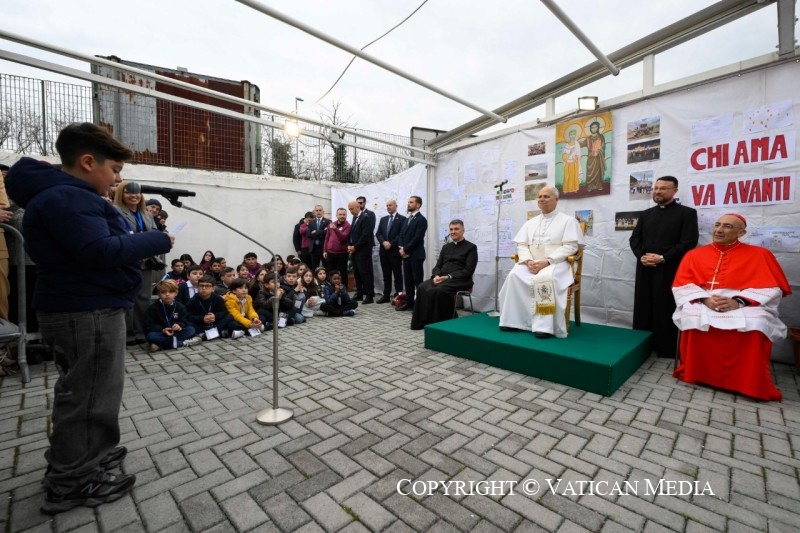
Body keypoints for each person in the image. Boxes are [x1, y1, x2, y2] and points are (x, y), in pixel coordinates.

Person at [6, 122, 172, 514]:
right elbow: (98, 250)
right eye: (114, 170)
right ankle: (73, 481)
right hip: (86, 310)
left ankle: (88, 456)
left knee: (88, 390)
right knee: (89, 395)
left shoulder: (65, 195)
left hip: (85, 306)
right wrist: (158, 239)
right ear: (86, 162)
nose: (117, 180)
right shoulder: (68, 198)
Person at [671, 214, 791, 401]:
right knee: (693, 317)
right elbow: (682, 285)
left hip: (745, 302)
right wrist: (705, 300)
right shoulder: (694, 255)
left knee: (757, 322)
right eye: (717, 225)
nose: (719, 230)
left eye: (727, 226)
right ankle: (697, 373)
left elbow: (771, 288)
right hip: (706, 299)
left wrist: (738, 301)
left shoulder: (760, 255)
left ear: (741, 233)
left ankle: (748, 383)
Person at [498, 186, 583, 338]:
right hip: (532, 263)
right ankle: (513, 321)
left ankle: (544, 326)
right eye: (539, 196)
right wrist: (528, 260)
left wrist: (548, 261)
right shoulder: (531, 222)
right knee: (514, 276)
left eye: (546, 196)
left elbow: (571, 246)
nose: (541, 199)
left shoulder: (568, 221)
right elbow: (522, 245)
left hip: (558, 263)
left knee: (544, 278)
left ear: (556, 200)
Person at [630, 176, 698, 358]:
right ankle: (641, 344)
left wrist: (662, 258)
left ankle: (666, 347)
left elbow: (688, 242)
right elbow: (634, 239)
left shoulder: (687, 214)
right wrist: (642, 256)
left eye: (663, 188)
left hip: (670, 268)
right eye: (656, 188)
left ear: (674, 191)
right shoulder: (646, 215)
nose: (658, 191)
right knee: (643, 306)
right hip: (645, 267)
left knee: (665, 306)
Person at [114, 181, 164, 345]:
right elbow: (118, 234)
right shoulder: (115, 211)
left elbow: (153, 234)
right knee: (128, 298)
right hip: (127, 262)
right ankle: (127, 335)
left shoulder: (147, 214)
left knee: (144, 298)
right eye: (128, 192)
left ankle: (141, 331)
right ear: (121, 193)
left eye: (136, 192)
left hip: (146, 262)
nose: (133, 195)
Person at [410, 220, 478, 330]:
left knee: (437, 291)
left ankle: (439, 325)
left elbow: (468, 270)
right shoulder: (446, 247)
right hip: (442, 278)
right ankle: (422, 322)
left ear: (463, 231)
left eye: (456, 229)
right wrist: (436, 276)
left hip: (461, 280)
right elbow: (438, 266)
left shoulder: (471, 247)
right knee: (422, 287)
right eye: (451, 229)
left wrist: (448, 277)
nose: (453, 232)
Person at [144, 280, 201, 353]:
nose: (167, 294)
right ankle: (181, 343)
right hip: (162, 333)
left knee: (191, 329)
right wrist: (162, 330)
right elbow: (149, 325)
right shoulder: (152, 308)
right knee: (150, 336)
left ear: (176, 293)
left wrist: (179, 325)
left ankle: (160, 345)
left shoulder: (180, 307)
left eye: (170, 292)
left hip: (176, 333)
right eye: (163, 292)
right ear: (158, 294)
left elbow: (185, 319)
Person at [397, 196, 427, 311]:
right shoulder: (406, 219)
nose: (408, 204)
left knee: (417, 281)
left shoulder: (421, 220)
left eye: (411, 202)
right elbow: (401, 235)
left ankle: (419, 305)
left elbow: (417, 238)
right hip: (405, 255)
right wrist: (401, 248)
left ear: (418, 205)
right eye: (408, 202)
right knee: (408, 280)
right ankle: (409, 302)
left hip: (416, 255)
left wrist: (406, 250)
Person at [186, 275, 237, 340]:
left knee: (230, 317)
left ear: (213, 288)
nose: (204, 288)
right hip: (201, 324)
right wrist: (202, 319)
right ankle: (217, 333)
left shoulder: (217, 298)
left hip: (215, 324)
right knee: (188, 325)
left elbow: (223, 312)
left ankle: (206, 335)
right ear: (197, 287)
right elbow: (189, 316)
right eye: (201, 286)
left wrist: (215, 316)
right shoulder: (193, 300)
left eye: (207, 286)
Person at [375, 199, 406, 304]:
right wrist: (383, 242)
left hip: (395, 252)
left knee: (397, 275)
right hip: (384, 251)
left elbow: (401, 234)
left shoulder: (402, 219)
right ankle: (386, 295)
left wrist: (391, 244)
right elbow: (378, 233)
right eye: (387, 205)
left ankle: (398, 295)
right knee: (386, 275)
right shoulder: (383, 219)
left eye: (390, 205)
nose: (388, 207)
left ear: (396, 206)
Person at [347, 200, 375, 304]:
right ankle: (359, 293)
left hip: (363, 251)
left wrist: (355, 246)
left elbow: (365, 235)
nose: (350, 211)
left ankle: (369, 295)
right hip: (354, 250)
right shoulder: (354, 218)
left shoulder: (365, 217)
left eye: (352, 209)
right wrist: (349, 245)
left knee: (365, 273)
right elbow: (352, 233)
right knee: (357, 273)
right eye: (349, 209)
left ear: (358, 207)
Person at [323, 207, 351, 281]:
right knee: (331, 272)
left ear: (346, 215)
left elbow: (342, 237)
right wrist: (325, 250)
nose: (342, 216)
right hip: (330, 253)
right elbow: (327, 238)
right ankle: (331, 289)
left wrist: (335, 229)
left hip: (342, 253)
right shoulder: (332, 224)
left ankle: (344, 289)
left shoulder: (347, 226)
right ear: (336, 215)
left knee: (343, 272)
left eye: (343, 214)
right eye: (340, 214)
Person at [581, 121, 606, 191]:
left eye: (595, 127)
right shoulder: (588, 138)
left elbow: (603, 146)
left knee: (598, 172)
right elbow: (582, 144)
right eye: (592, 127)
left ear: (598, 128)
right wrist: (576, 143)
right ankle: (590, 185)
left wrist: (600, 150)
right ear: (590, 129)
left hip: (598, 158)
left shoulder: (601, 137)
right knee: (590, 173)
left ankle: (598, 185)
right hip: (590, 158)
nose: (594, 129)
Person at [306, 205, 330, 271]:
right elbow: (308, 234)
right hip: (314, 249)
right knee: (314, 268)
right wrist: (321, 232)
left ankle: (326, 281)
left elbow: (326, 232)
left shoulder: (328, 221)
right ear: (314, 212)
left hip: (324, 248)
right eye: (317, 210)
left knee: (326, 267)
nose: (318, 212)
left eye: (320, 210)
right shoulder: (311, 222)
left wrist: (316, 232)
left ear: (323, 211)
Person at [561, 126, 581, 194]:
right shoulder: (566, 145)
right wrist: (570, 153)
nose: (572, 136)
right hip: (567, 163)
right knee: (567, 177)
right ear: (569, 136)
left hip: (574, 163)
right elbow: (563, 156)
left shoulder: (577, 144)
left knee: (574, 176)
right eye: (571, 134)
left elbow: (579, 154)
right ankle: (566, 189)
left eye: (574, 134)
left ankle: (575, 189)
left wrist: (576, 157)